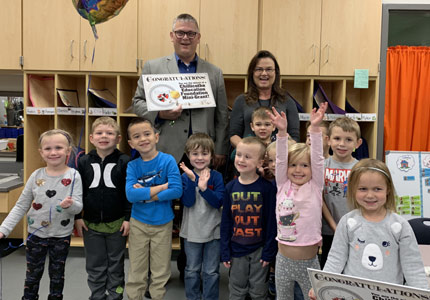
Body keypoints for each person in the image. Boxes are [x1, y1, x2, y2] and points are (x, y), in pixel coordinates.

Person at [309, 159, 429, 299]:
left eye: (377, 189)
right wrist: (321, 285)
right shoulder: (348, 222)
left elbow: (413, 267)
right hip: (352, 296)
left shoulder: (400, 226)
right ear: (353, 189)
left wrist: (422, 294)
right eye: (363, 189)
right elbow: (336, 259)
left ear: (388, 189)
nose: (370, 195)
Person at [132, 13, 229, 168]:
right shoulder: (153, 67)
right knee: (168, 192)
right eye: (180, 33)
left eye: (191, 33)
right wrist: (160, 114)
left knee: (200, 192)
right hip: (166, 149)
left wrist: (220, 149)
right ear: (172, 36)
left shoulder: (214, 72)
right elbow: (137, 103)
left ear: (198, 37)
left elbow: (222, 116)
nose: (185, 38)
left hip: (203, 152)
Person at [0, 129, 83, 300]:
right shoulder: (35, 176)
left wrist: (71, 205)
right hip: (36, 235)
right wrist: (4, 229)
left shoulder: (74, 176)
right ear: (41, 152)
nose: (53, 152)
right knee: (32, 277)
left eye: (59, 148)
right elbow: (20, 206)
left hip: (61, 237)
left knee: (57, 277)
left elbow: (78, 208)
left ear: (68, 150)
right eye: (48, 148)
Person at [267, 103, 328, 299]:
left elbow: (318, 159)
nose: (298, 170)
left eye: (304, 165)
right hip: (283, 260)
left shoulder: (315, 185)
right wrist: (282, 132)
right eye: (293, 165)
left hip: (309, 263)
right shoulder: (283, 183)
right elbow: (281, 160)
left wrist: (315, 129)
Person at [125, 117, 182, 300]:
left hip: (163, 223)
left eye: (147, 134)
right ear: (131, 143)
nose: (143, 139)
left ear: (156, 137)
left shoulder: (168, 161)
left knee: (160, 270)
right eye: (137, 136)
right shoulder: (132, 166)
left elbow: (177, 190)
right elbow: (131, 195)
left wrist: (146, 193)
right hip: (138, 223)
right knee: (137, 269)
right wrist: (162, 187)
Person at [74, 117, 131, 300]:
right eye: (99, 133)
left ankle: (116, 295)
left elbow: (128, 193)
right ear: (91, 138)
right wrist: (77, 217)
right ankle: (97, 296)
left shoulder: (125, 161)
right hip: (91, 224)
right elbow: (77, 191)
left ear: (118, 138)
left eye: (109, 133)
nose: (104, 136)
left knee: (116, 264)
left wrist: (128, 219)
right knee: (95, 264)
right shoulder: (83, 161)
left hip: (117, 223)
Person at [220, 136, 277, 300]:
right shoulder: (230, 187)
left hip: (259, 250)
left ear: (260, 163)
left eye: (247, 156)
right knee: (237, 290)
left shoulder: (266, 189)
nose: (241, 160)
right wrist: (225, 251)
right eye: (239, 155)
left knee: (258, 291)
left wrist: (268, 252)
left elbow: (271, 223)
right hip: (236, 250)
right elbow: (226, 221)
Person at [179, 132, 225, 300]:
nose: (200, 158)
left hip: (214, 231)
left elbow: (218, 202)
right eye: (195, 153)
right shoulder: (185, 176)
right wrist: (192, 182)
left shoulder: (217, 176)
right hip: (191, 232)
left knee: (211, 271)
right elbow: (188, 202)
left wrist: (204, 188)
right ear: (188, 155)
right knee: (191, 270)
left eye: (204, 153)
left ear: (211, 156)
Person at [229, 50, 300, 152]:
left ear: (276, 73)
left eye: (269, 69)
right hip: (248, 160)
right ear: (252, 72)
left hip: (277, 161)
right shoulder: (241, 101)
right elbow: (233, 135)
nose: (264, 73)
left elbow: (295, 138)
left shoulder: (287, 101)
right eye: (259, 69)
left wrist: (274, 152)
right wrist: (252, 151)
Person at [264, 140, 304, 300]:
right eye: (271, 160)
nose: (274, 165)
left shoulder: (297, 185)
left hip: (292, 240)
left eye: (279, 161)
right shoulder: (267, 184)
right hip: (272, 237)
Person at [321, 117, 362, 268]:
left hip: (354, 231)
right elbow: (320, 199)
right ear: (328, 140)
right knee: (329, 267)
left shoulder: (360, 168)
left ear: (358, 143)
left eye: (348, 140)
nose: (342, 144)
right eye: (337, 138)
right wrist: (334, 226)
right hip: (327, 231)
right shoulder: (322, 166)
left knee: (352, 268)